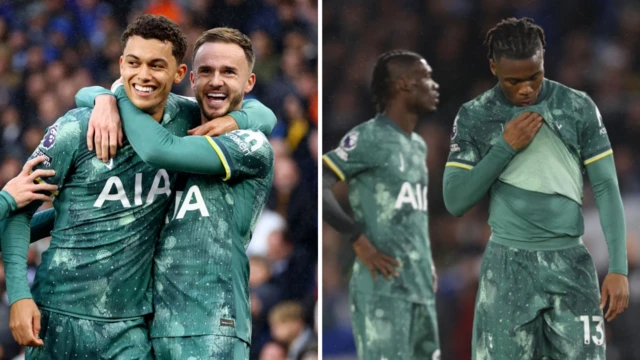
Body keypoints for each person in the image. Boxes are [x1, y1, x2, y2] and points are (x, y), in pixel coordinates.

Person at [1, 15, 272, 359]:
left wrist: (243, 117)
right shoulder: (76, 129)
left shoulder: (188, 123)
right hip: (57, 314)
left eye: (157, 65)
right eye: (134, 63)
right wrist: (20, 295)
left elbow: (262, 114)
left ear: (178, 74)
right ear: (121, 65)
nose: (144, 75)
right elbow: (19, 214)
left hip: (129, 329)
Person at [443, 17, 629, 360]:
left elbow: (605, 186)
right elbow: (455, 200)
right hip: (506, 268)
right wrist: (504, 147)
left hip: (571, 263)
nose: (527, 89)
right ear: (493, 67)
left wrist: (618, 267)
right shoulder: (476, 115)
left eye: (535, 76)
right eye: (514, 81)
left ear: (544, 60)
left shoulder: (577, 106)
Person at [84, 27, 274, 359]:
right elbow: (83, 96)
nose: (216, 80)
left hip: (213, 327)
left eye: (229, 72)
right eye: (206, 71)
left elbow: (159, 149)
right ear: (191, 79)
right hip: (150, 330)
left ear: (249, 83)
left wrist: (117, 95)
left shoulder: (251, 145)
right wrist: (101, 98)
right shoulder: (178, 117)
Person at [322, 50, 441, 360]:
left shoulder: (418, 145)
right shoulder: (368, 137)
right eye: (425, 78)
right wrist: (355, 237)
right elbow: (320, 184)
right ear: (402, 85)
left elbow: (412, 212)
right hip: (382, 289)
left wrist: (425, 260)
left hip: (420, 287)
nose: (434, 85)